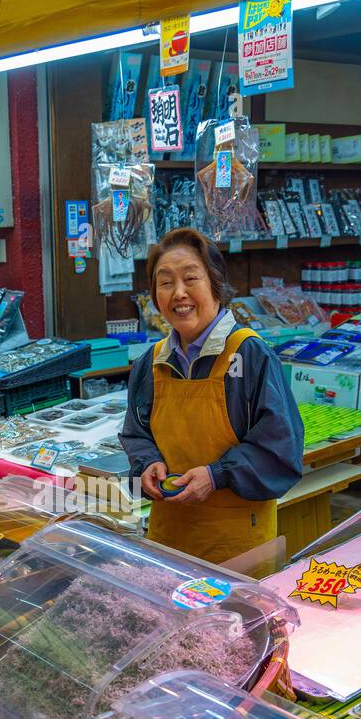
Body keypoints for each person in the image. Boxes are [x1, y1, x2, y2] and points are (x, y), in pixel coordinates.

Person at [120, 226, 303, 565]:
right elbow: (136, 433)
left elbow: (282, 450)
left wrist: (217, 474)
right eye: (165, 282)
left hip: (237, 548)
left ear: (215, 284)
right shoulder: (151, 362)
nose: (179, 293)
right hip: (168, 541)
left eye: (191, 279)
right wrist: (146, 465)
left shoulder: (250, 355)